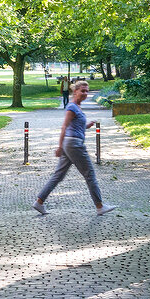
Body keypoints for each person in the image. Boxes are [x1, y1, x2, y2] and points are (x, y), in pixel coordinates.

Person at [33, 81, 117, 217]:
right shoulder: (72, 107)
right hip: (74, 145)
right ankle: (100, 206)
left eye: (87, 91)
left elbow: (74, 127)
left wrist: (86, 126)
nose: (85, 93)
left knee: (58, 175)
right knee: (90, 175)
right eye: (82, 91)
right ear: (75, 91)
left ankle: (39, 202)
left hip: (70, 144)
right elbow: (64, 127)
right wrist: (59, 146)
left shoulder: (77, 106)